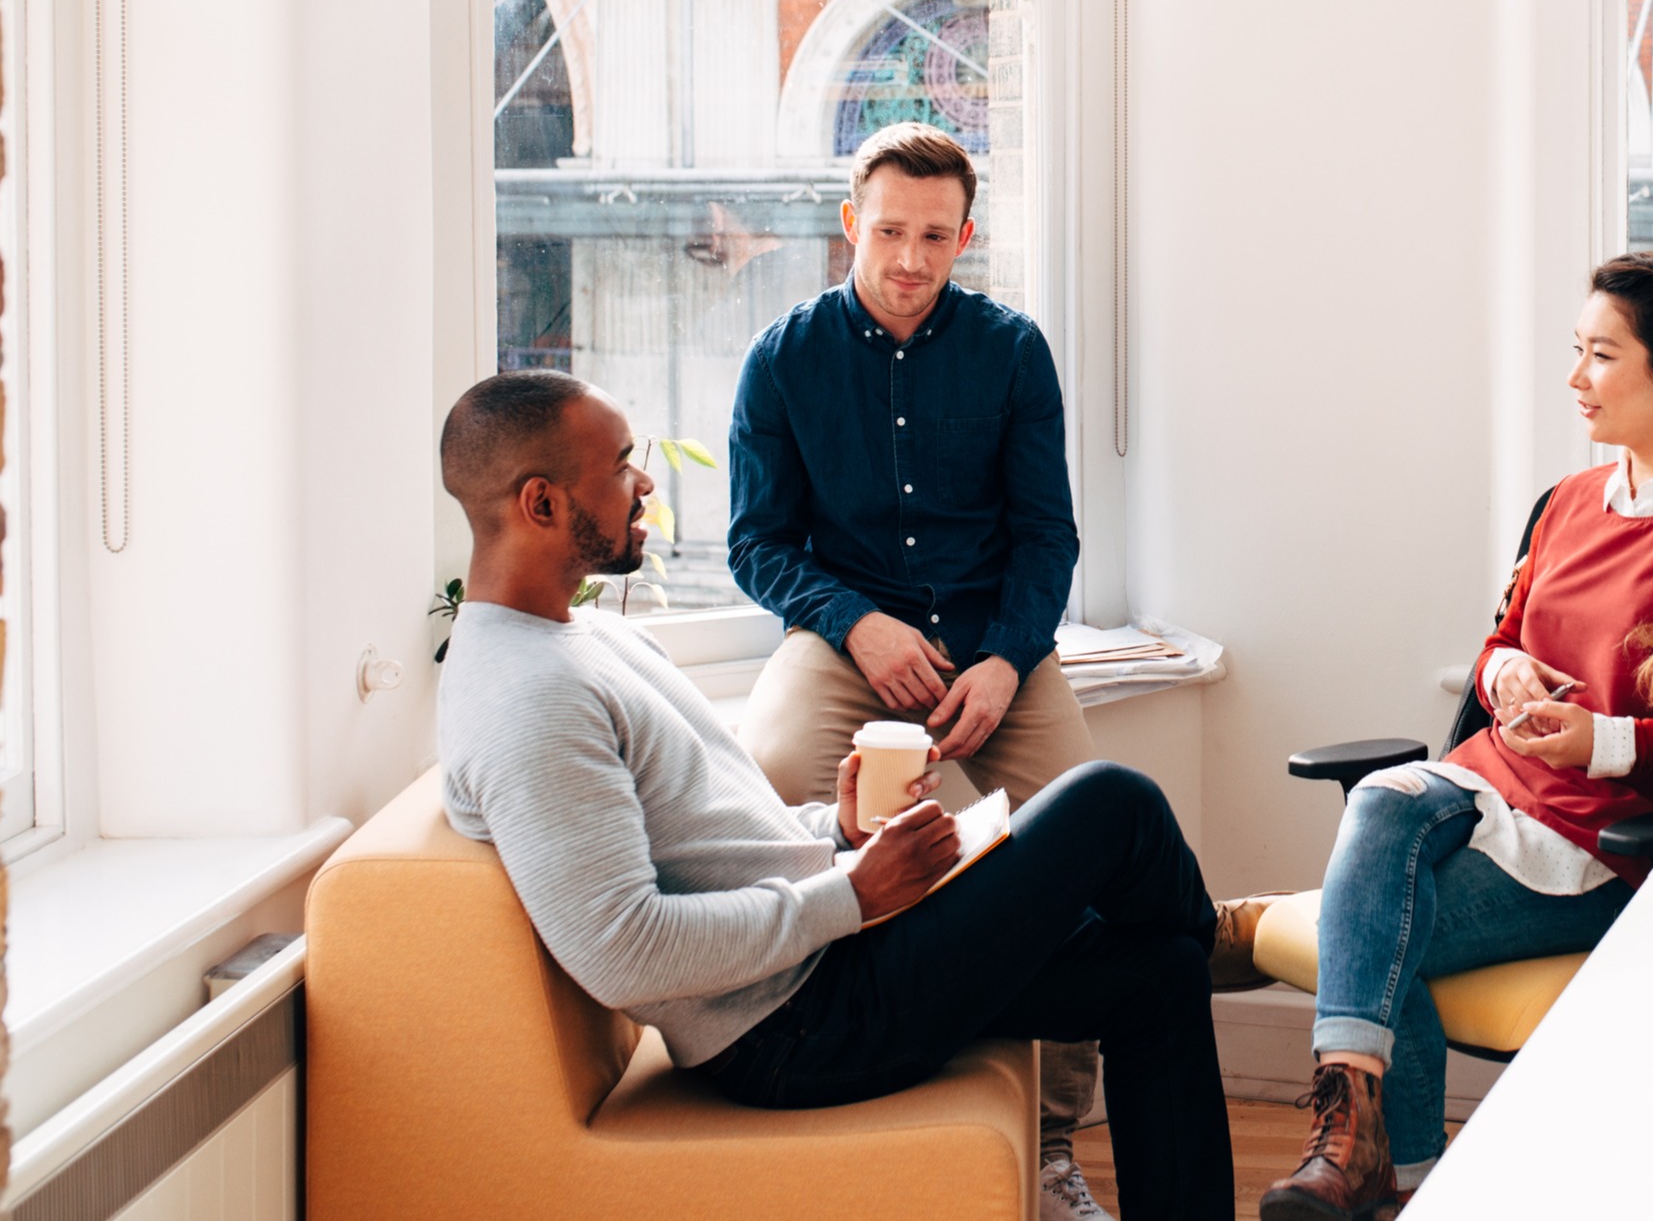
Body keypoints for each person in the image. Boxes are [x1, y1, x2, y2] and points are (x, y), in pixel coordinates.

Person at [436, 370, 1247, 1221]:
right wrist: (853, 894)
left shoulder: (584, 636)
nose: (644, 484)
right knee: (1110, 802)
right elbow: (622, 950)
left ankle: (1200, 941)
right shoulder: (528, 698)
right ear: (540, 503)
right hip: (788, 1029)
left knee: (1159, 972)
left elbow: (714, 838)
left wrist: (842, 830)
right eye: (621, 465)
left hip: (820, 969)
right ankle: (1228, 932)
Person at [1258, 253, 1653, 1221]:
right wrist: (1501, 674)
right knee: (1385, 798)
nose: (1575, 379)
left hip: (1605, 841)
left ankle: (1373, 1172)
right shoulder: (1567, 501)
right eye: (1576, 352)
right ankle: (1370, 1162)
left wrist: (1606, 742)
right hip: (1489, 790)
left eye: (1601, 356)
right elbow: (1498, 645)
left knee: (1378, 941)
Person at [725, 122, 1119, 1215]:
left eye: (934, 236)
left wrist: (1002, 662)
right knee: (771, 792)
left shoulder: (1012, 349)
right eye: (890, 229)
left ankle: (1047, 1144)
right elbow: (757, 543)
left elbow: (1048, 536)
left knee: (1080, 846)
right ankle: (830, 1073)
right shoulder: (781, 358)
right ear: (850, 221)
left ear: (965, 238)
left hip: (996, 646)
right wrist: (857, 624)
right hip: (848, 642)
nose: (909, 258)